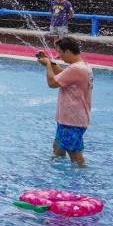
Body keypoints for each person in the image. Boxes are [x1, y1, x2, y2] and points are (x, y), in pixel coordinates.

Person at [38, 36, 93, 166]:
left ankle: (83, 175)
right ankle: (53, 169)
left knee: (75, 155)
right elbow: (64, 75)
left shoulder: (75, 69)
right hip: (70, 119)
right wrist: (51, 62)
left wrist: (47, 65)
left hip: (72, 120)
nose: (59, 56)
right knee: (57, 147)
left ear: (68, 51)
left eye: (60, 52)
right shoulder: (83, 66)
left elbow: (52, 83)